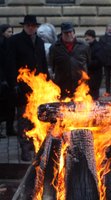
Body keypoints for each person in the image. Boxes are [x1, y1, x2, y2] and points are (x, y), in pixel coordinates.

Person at [6, 15, 49, 161]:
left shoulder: (40, 42)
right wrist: (14, 84)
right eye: (28, 25)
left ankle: (32, 143)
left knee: (35, 117)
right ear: (24, 26)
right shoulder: (14, 41)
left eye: (33, 25)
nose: (31, 28)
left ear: (36, 27)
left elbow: (43, 63)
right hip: (22, 86)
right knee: (23, 117)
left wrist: (48, 81)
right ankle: (24, 147)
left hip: (38, 86)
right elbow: (10, 64)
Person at [49, 22, 90, 99]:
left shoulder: (84, 46)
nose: (68, 35)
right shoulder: (55, 47)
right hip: (62, 86)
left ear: (73, 32)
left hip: (80, 86)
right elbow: (51, 65)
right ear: (62, 34)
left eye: (70, 32)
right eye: (66, 33)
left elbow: (89, 62)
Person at [0, 24, 16, 138]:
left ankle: (10, 129)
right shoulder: (1, 44)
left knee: (11, 106)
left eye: (11, 32)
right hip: (2, 81)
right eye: (8, 32)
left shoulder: (11, 44)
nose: (10, 34)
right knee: (2, 107)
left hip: (11, 80)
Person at [99, 24, 111, 97]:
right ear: (106, 29)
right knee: (107, 78)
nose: (110, 29)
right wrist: (102, 60)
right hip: (106, 61)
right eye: (109, 28)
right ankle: (108, 92)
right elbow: (100, 50)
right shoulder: (102, 38)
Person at [84, 29, 103, 100]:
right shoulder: (86, 46)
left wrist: (87, 64)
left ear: (93, 37)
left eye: (88, 36)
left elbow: (99, 62)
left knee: (94, 95)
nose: (86, 38)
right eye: (85, 36)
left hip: (95, 75)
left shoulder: (97, 47)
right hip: (87, 75)